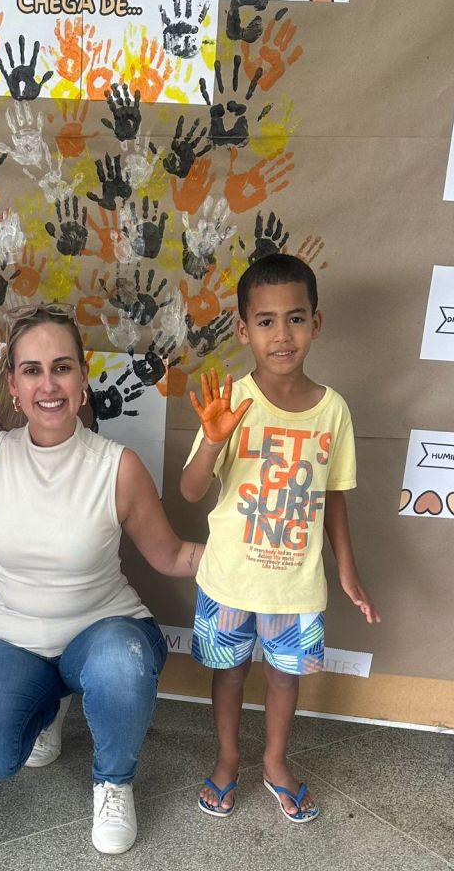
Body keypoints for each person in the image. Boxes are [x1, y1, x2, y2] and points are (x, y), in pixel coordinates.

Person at [0, 302, 201, 855]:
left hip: (106, 630)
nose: (48, 385)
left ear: (82, 377)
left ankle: (113, 781)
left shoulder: (117, 465)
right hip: (15, 637)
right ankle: (48, 701)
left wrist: (251, 558)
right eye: (32, 370)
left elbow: (170, 556)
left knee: (119, 662)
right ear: (14, 385)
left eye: (62, 367)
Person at [180, 253, 380, 821]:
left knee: (285, 678)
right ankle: (226, 759)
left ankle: (274, 763)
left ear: (316, 323)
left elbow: (333, 495)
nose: (282, 334)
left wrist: (347, 570)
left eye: (295, 318)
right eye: (266, 321)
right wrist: (214, 439)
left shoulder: (333, 411)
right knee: (229, 674)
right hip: (229, 579)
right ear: (244, 330)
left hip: (296, 584)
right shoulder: (230, 403)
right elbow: (191, 491)